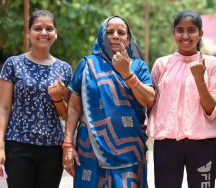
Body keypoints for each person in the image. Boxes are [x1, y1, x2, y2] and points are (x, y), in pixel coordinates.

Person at [62, 16, 154, 188]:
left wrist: (127, 73)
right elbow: (74, 107)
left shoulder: (138, 67)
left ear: (128, 39)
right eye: (109, 32)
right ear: (101, 36)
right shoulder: (87, 65)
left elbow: (149, 99)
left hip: (129, 149)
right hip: (90, 145)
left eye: (121, 32)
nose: (115, 36)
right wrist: (67, 145)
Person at [0, 9, 72, 188]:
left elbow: (67, 115)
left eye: (49, 28)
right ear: (28, 33)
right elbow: (4, 109)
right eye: (38, 28)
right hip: (18, 144)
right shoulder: (13, 64)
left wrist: (57, 98)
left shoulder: (64, 69)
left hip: (52, 148)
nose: (44, 33)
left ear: (55, 33)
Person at [147, 10, 216, 188]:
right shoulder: (161, 64)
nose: (185, 35)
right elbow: (151, 104)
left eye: (191, 30)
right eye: (180, 30)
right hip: (166, 143)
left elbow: (212, 110)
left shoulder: (212, 64)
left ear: (201, 33)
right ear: (173, 32)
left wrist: (199, 78)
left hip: (201, 144)